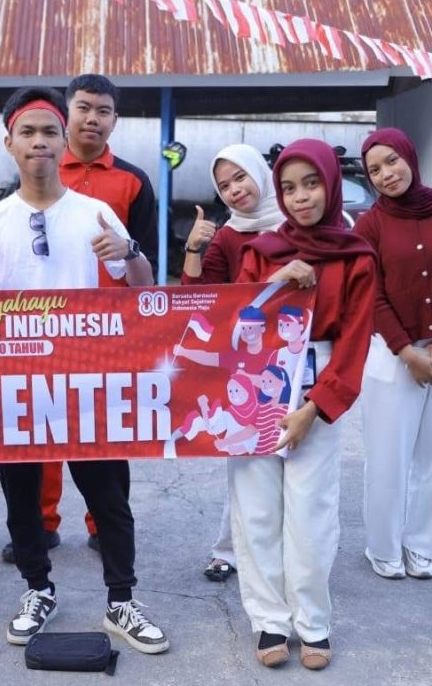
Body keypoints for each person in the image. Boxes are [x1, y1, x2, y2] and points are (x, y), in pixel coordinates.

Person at [0, 86, 168, 655]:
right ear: (9, 144)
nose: (39, 142)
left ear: (63, 140)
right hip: (17, 386)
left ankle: (121, 599)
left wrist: (130, 252)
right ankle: (37, 589)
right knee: (22, 499)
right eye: (28, 132)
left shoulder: (95, 213)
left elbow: (144, 291)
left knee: (108, 497)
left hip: (88, 381)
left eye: (49, 132)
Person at [0, 73, 159, 565]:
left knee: (105, 437)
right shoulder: (39, 167)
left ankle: (104, 526)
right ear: (66, 116)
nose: (93, 118)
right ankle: (41, 525)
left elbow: (146, 263)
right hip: (40, 334)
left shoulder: (133, 181)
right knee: (39, 434)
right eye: (84, 108)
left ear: (115, 120)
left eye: (103, 110)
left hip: (108, 337)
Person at [230, 139, 376, 670]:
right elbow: (234, 321)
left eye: (311, 184)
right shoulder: (261, 251)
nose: (301, 197)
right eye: (289, 188)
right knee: (257, 508)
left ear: (332, 184)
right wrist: (276, 281)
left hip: (318, 387)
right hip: (256, 383)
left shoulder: (356, 256)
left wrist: (315, 407)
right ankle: (269, 619)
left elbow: (355, 341)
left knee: (311, 511)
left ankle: (313, 621)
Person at [353, 128, 432, 580]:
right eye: (374, 170)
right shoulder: (369, 225)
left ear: (409, 157)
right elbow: (371, 295)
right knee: (388, 455)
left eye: (391, 161)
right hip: (391, 354)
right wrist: (406, 351)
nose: (386, 174)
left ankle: (423, 545)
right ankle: (382, 547)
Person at [180, 143, 284, 581]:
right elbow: (196, 297)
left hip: (295, 358)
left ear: (260, 173)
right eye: (224, 186)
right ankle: (229, 550)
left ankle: (284, 554)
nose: (235, 190)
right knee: (245, 459)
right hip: (246, 363)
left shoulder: (297, 224)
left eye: (240, 177)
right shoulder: (228, 236)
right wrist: (193, 248)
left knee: (295, 466)